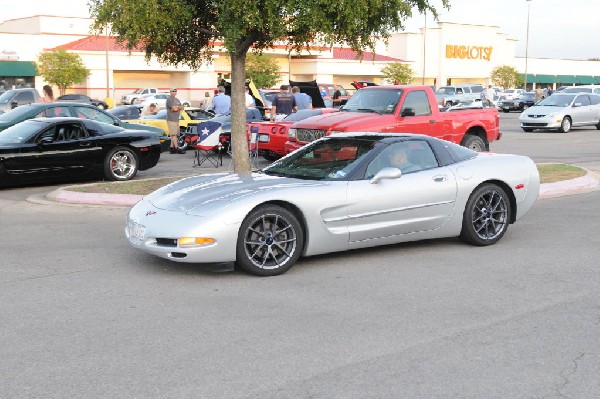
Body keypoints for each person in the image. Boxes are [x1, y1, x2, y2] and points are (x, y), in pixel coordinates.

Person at [166, 88, 184, 154]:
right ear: (170, 92)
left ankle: (171, 148)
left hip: (176, 119)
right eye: (172, 91)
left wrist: (178, 107)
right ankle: (177, 148)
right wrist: (178, 107)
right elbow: (174, 109)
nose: (174, 92)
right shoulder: (169, 99)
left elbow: (182, 107)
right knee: (174, 135)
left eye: (175, 91)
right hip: (171, 119)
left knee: (174, 134)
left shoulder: (177, 100)